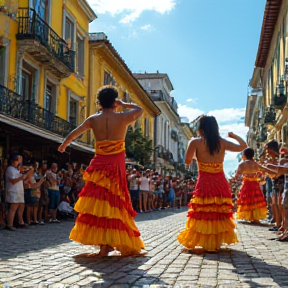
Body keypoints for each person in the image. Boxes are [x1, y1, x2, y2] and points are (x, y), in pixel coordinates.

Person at [58, 86, 144, 256]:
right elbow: (139, 109)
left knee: (99, 202)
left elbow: (76, 133)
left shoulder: (93, 119)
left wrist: (63, 145)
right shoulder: (123, 117)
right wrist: (123, 104)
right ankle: (109, 243)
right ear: (114, 101)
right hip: (115, 164)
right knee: (114, 202)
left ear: (99, 101)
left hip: (99, 162)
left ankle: (104, 245)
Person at [177, 115, 247, 252]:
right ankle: (215, 242)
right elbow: (243, 146)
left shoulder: (195, 142)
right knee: (218, 210)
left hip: (204, 180)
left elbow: (187, 161)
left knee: (204, 210)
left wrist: (196, 157)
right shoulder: (222, 142)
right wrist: (233, 135)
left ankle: (205, 240)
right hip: (220, 180)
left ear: (201, 128)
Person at [235, 148, 276, 223]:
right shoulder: (255, 164)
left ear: (245, 155)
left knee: (247, 199)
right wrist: (275, 171)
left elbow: (237, 176)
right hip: (255, 183)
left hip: (247, 183)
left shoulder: (242, 164)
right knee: (255, 200)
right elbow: (265, 169)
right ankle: (255, 217)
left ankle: (249, 216)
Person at [5, 153, 33, 230]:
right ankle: (9, 224)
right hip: (13, 191)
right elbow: (12, 181)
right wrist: (22, 177)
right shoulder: (10, 169)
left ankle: (16, 222)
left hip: (18, 190)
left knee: (17, 207)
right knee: (13, 208)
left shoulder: (15, 169)